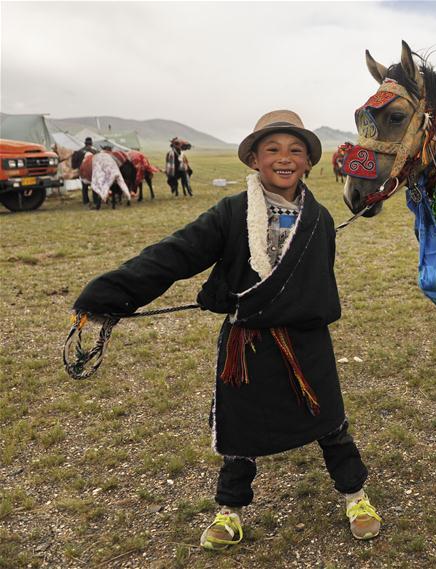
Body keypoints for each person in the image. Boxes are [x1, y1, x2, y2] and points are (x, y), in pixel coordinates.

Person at [71, 110, 381, 549]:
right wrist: (105, 296)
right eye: (272, 149)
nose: (284, 158)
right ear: (254, 159)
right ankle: (230, 510)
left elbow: (317, 282)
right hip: (247, 341)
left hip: (306, 339)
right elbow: (173, 255)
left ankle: (355, 496)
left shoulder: (321, 220)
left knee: (329, 420)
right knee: (240, 429)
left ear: (309, 162)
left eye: (295, 150)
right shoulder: (230, 213)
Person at [88, 143, 132, 210]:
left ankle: (99, 205)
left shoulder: (97, 157)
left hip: (105, 175)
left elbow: (97, 168)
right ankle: (127, 198)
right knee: (120, 184)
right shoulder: (112, 156)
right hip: (115, 172)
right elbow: (119, 164)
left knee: (101, 187)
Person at [71, 137, 99, 205]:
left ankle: (86, 201)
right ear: (91, 143)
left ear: (85, 143)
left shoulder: (79, 152)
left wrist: (77, 168)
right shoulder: (96, 152)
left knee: (84, 187)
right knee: (94, 186)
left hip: (82, 172)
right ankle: (95, 201)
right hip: (92, 172)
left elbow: (74, 164)